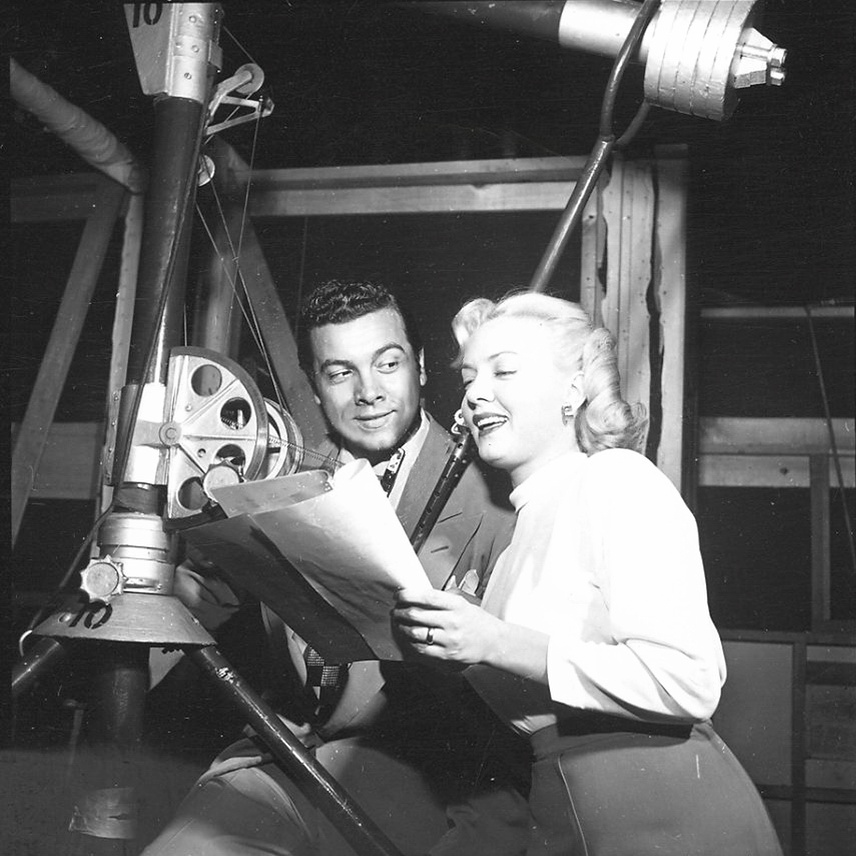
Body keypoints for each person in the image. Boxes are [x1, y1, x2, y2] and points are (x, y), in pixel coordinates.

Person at [141, 280, 531, 856]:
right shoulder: (278, 480)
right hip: (287, 755)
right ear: (315, 385)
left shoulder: (498, 495)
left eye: (387, 364)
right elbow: (202, 595)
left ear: (421, 367)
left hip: (429, 779)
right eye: (341, 372)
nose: (369, 393)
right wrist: (139, 573)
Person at [393, 292, 784, 856]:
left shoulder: (615, 479)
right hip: (564, 811)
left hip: (660, 809)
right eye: (469, 377)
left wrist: (496, 641)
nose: (475, 393)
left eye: (504, 370)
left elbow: (688, 680)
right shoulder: (516, 540)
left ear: (573, 389)